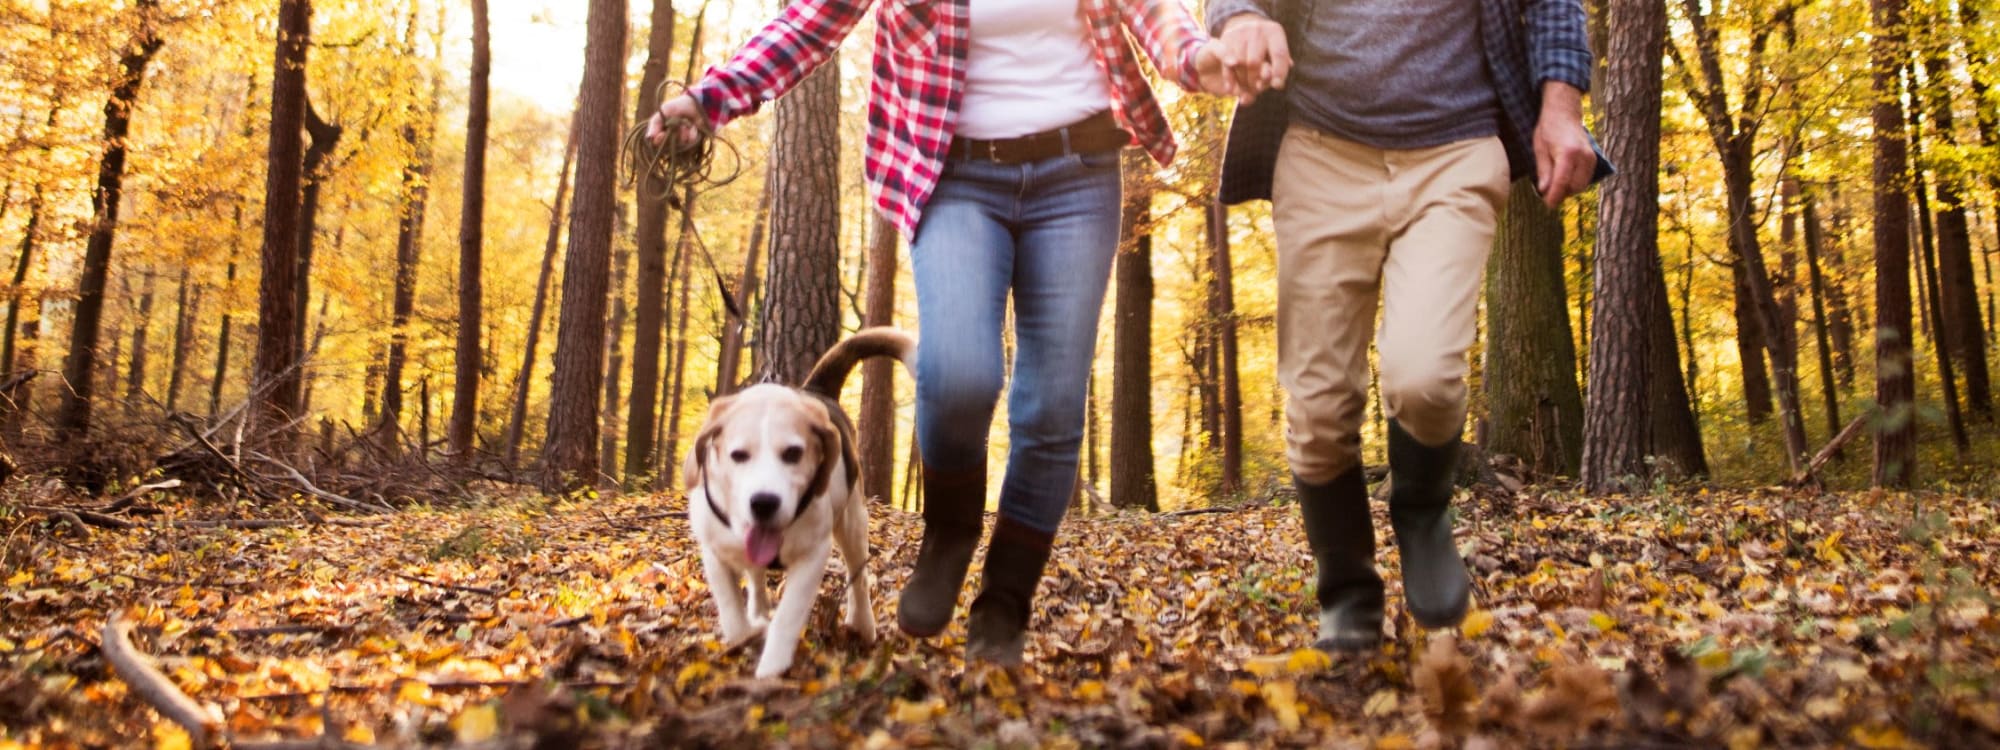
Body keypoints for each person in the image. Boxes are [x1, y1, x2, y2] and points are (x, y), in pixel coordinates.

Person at [650, 0, 1233, 665]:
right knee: (958, 373)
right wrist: (709, 99)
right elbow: (811, 20)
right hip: (954, 173)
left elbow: (1153, 10)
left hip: (1079, 171)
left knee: (1052, 404)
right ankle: (950, 529)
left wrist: (1198, 58)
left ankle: (1005, 601)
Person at [1202, 0, 1610, 650]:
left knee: (1426, 376)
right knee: (1317, 403)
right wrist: (1240, 18)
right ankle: (1346, 585)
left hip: (1456, 153)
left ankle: (1421, 510)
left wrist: (1562, 108)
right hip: (1319, 152)